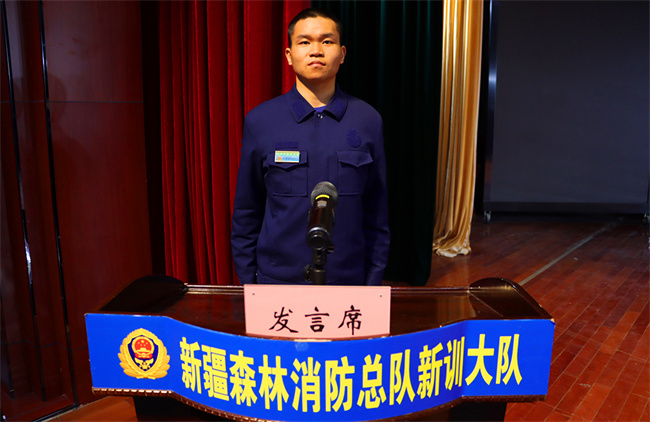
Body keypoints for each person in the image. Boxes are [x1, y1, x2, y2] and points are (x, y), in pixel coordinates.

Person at [231, 8, 389, 285]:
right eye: (304, 42)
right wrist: (249, 282)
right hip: (278, 282)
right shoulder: (261, 121)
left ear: (342, 54)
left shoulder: (367, 120)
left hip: (347, 281)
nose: (316, 50)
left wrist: (372, 280)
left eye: (327, 41)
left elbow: (377, 213)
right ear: (289, 55)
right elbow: (247, 210)